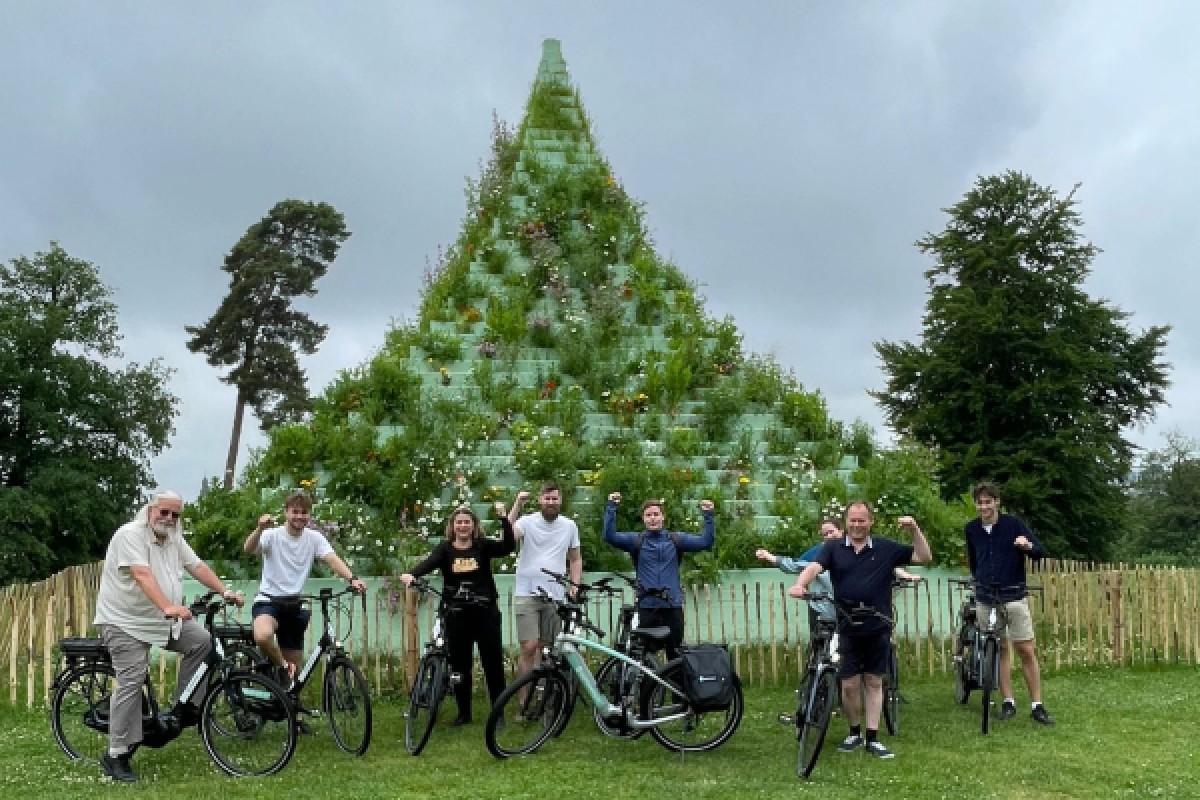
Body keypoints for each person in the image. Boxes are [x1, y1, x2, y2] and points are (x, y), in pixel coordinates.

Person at [93, 490, 243, 783]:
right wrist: (168, 606)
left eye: (175, 514)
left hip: (161, 619)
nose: (169, 519)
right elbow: (141, 574)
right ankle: (116, 754)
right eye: (164, 512)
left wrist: (224, 591)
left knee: (201, 642)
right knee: (132, 679)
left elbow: (196, 566)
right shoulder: (130, 535)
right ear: (151, 510)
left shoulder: (174, 537)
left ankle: (184, 709)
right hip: (123, 621)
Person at [789, 501, 931, 759]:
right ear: (846, 522)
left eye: (862, 520)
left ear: (870, 522)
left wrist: (914, 529)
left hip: (877, 624)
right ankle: (854, 731)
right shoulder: (833, 548)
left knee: (874, 681)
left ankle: (872, 737)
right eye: (852, 521)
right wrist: (801, 585)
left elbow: (923, 557)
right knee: (849, 684)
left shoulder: (886, 548)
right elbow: (813, 568)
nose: (857, 525)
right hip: (847, 624)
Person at [399, 502, 516, 725]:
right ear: (453, 526)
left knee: (492, 664)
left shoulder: (482, 546)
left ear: (474, 526)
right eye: (459, 522)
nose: (463, 526)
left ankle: (497, 714)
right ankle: (464, 714)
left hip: (485, 613)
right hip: (456, 614)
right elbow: (429, 563)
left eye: (467, 522)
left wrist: (503, 518)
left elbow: (507, 547)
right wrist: (411, 575)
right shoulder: (445, 549)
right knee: (460, 666)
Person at [244, 490, 365, 696]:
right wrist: (259, 528)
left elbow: (331, 559)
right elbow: (248, 548)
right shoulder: (272, 535)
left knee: (296, 674)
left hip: (293, 605)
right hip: (268, 601)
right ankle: (282, 668)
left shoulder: (314, 538)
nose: (300, 516)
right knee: (263, 636)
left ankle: (295, 718)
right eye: (295, 512)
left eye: (304, 512)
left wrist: (352, 579)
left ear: (309, 515)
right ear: (286, 513)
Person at [964, 481, 1052, 725]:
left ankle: (1037, 705)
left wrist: (1027, 546)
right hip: (985, 597)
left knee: (1025, 649)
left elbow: (1039, 552)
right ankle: (1007, 701)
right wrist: (978, 579)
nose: (984, 507)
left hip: (1013, 596)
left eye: (988, 502)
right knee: (1000, 649)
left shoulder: (1013, 525)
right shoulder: (971, 529)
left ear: (997, 502)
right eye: (980, 502)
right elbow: (973, 560)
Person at [758, 517, 924, 631]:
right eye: (825, 534)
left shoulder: (855, 548)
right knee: (820, 643)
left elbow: (879, 563)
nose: (829, 536)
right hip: (822, 608)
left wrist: (904, 574)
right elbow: (796, 565)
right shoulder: (818, 552)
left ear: (842, 530)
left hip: (846, 609)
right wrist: (770, 557)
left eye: (832, 532)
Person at [603, 493, 716, 659]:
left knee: (675, 654)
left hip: (672, 606)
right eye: (648, 515)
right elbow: (609, 536)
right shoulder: (636, 541)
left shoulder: (677, 540)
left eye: (656, 514)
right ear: (643, 519)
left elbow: (706, 542)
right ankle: (648, 686)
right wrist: (611, 507)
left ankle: (674, 686)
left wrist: (708, 515)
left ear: (663, 517)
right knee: (645, 656)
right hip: (648, 606)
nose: (653, 518)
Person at [507, 482, 582, 683]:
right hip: (527, 592)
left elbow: (575, 558)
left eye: (554, 498)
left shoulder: (569, 526)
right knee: (529, 646)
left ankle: (541, 695)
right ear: (540, 500)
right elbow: (505, 538)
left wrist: (574, 584)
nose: (551, 502)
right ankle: (523, 701)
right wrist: (517, 504)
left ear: (560, 501)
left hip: (554, 594)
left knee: (547, 647)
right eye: (547, 498)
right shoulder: (527, 522)